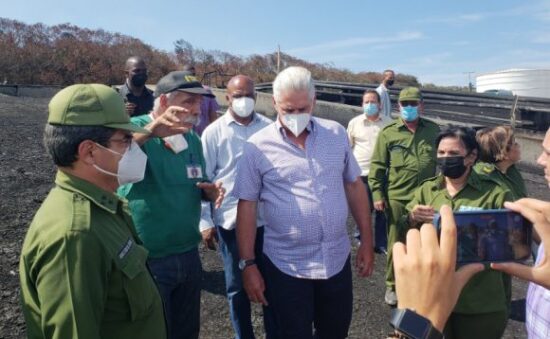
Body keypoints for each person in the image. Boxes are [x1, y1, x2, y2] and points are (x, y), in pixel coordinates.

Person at [18, 83, 184, 338]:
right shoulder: (75, 236)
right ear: (90, 152)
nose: (133, 147)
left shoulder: (101, 206)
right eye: (125, 140)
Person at [233, 66, 374, 339]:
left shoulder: (335, 134)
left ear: (313, 101)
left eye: (302, 108)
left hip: (335, 260)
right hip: (287, 265)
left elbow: (354, 185)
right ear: (274, 104)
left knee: (335, 332)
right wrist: (248, 264)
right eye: (288, 110)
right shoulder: (257, 147)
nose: (296, 116)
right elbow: (247, 206)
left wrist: (366, 241)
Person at [118, 71, 225, 339]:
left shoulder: (192, 140)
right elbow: (111, 163)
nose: (197, 109)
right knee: (152, 331)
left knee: (186, 330)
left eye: (199, 103)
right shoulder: (132, 128)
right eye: (189, 101)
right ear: (164, 102)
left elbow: (196, 181)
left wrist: (208, 193)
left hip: (188, 253)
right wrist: (150, 133)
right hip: (146, 257)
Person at [405, 126, 513, 338]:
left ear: (472, 156)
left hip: (478, 302)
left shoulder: (495, 193)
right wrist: (411, 218)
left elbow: (514, 241)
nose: (446, 158)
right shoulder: (427, 190)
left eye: (454, 153)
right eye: (442, 153)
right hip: (433, 295)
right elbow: (403, 233)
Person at [200, 75, 274, 339]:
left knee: (273, 285)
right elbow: (204, 181)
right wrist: (206, 222)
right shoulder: (213, 132)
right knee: (236, 287)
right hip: (230, 220)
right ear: (227, 98)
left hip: (268, 221)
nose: (244, 100)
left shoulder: (270, 128)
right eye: (238, 95)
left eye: (249, 95)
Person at [368, 87, 440, 305]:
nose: (409, 108)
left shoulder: (433, 130)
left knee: (428, 241)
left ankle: (422, 282)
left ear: (421, 105)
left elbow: (443, 160)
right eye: (405, 104)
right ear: (399, 107)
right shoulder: (389, 132)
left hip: (428, 197)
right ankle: (393, 285)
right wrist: (377, 194)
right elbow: (378, 166)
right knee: (396, 241)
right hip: (398, 197)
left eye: (413, 103)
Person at [347, 89, 391, 253]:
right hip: (361, 174)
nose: (370, 105)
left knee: (383, 210)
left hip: (382, 174)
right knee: (363, 208)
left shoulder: (388, 123)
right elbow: (347, 147)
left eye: (373, 102)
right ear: (362, 104)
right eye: (367, 102)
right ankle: (360, 238)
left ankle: (381, 242)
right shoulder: (354, 123)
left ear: (380, 104)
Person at [475, 125, 526, 200]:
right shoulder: (484, 177)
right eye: (514, 144)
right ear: (504, 152)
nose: (518, 145)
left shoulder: (511, 170)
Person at [183, 64, 220, 135]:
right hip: (185, 134)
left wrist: (214, 132)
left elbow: (213, 114)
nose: (190, 76)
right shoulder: (178, 92)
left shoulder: (206, 90)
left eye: (193, 74)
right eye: (187, 74)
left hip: (203, 134)